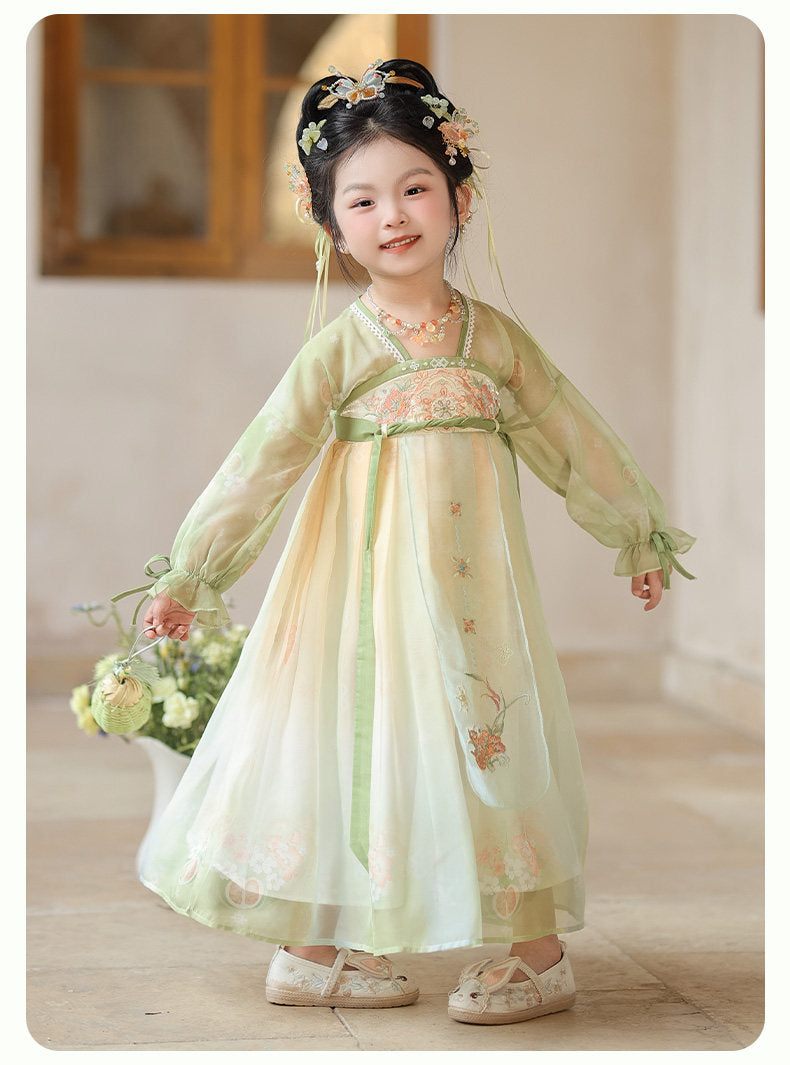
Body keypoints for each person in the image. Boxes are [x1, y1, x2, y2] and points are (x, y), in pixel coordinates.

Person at [132, 59, 696, 1024]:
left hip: (477, 604)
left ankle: (537, 948)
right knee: (353, 738)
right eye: (362, 198)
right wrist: (195, 568)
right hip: (359, 598)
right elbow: (259, 463)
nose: (392, 213)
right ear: (329, 223)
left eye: (415, 187)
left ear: (457, 196)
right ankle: (316, 949)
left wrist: (633, 526)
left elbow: (571, 434)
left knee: (491, 731)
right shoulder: (344, 350)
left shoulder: (494, 343)